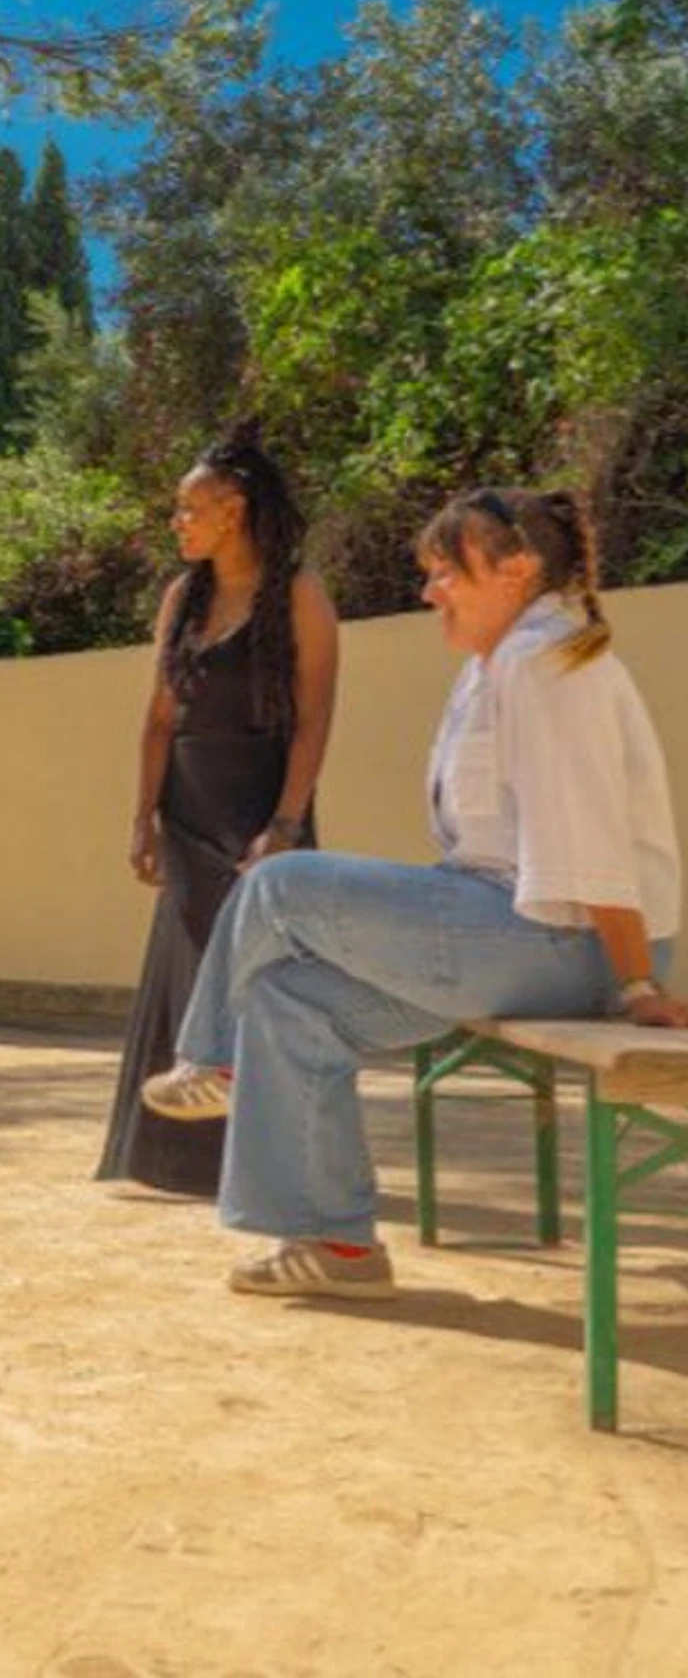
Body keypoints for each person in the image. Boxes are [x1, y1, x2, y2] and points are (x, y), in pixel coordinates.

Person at [142, 486, 688, 1299]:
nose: (429, 591)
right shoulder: (497, 665)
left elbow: (592, 843)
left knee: (280, 883)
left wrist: (637, 983)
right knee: (291, 1001)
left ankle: (212, 1060)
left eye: (446, 572)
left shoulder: (550, 664)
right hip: (508, 931)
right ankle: (337, 1246)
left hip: (565, 943)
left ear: (517, 569)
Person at [97, 427, 339, 1195]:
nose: (178, 521)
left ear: (232, 510)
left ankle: (270, 1159)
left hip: (262, 810)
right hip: (188, 810)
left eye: (189, 508)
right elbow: (157, 719)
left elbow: (314, 720)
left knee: (262, 982)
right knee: (189, 972)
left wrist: (286, 825)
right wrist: (143, 818)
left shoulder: (297, 594)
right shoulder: (183, 597)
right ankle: (173, 1161)